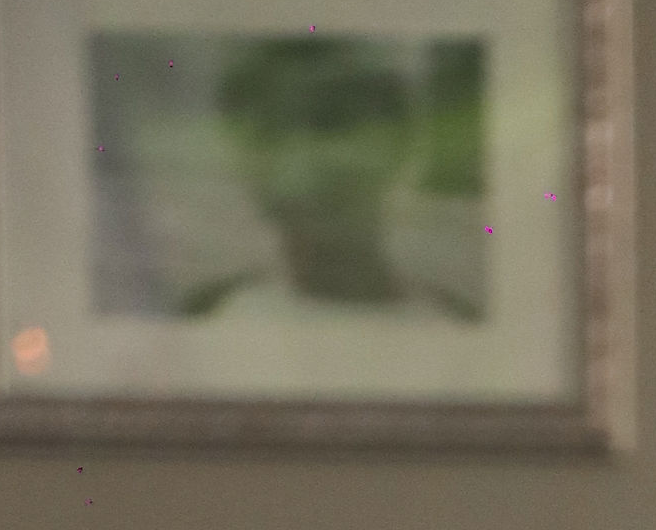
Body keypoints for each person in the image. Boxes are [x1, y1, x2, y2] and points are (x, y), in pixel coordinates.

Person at [190, 38, 472, 319]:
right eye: (271, 132)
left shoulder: (454, 324)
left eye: (331, 122)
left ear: (399, 142)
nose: (300, 161)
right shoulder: (209, 316)